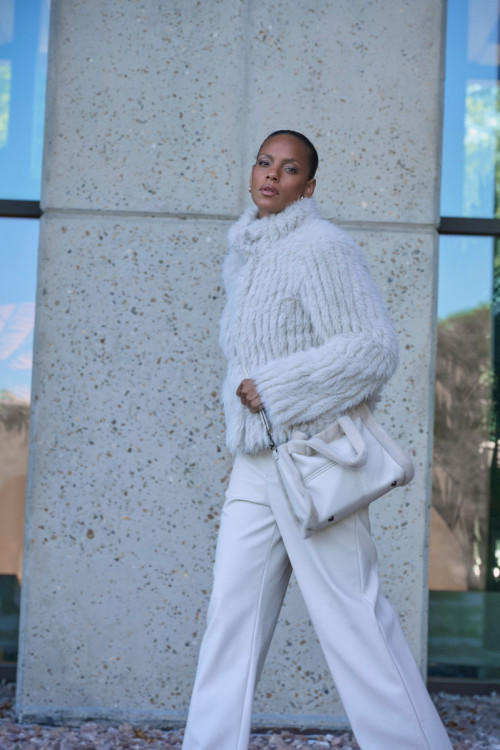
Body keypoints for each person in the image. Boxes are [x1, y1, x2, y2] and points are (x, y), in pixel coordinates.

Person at [181, 130, 452, 750]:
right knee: (230, 620)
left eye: (290, 168)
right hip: (255, 463)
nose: (272, 175)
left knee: (355, 621)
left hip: (313, 458)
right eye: (264, 162)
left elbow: (372, 348)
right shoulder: (247, 257)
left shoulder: (321, 246)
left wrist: (276, 387)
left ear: (308, 186)